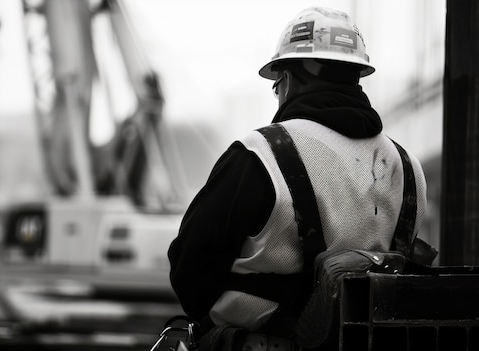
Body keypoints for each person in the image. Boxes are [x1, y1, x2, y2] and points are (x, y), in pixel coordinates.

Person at [167, 6, 428, 350]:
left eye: (276, 85)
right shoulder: (408, 169)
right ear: (356, 76)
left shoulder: (259, 155)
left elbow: (189, 271)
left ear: (288, 80)